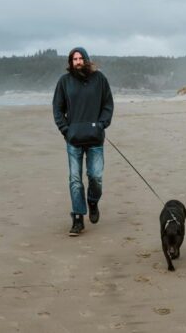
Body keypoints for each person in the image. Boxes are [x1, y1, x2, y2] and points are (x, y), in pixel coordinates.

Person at [53, 47, 114, 236]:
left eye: (80, 58)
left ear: (86, 60)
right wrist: (66, 130)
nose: (77, 62)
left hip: (95, 138)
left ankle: (93, 201)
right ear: (70, 62)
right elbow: (57, 108)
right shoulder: (64, 82)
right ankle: (78, 218)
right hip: (73, 139)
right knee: (75, 180)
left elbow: (108, 105)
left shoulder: (100, 79)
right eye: (74, 59)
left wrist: (101, 125)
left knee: (95, 176)